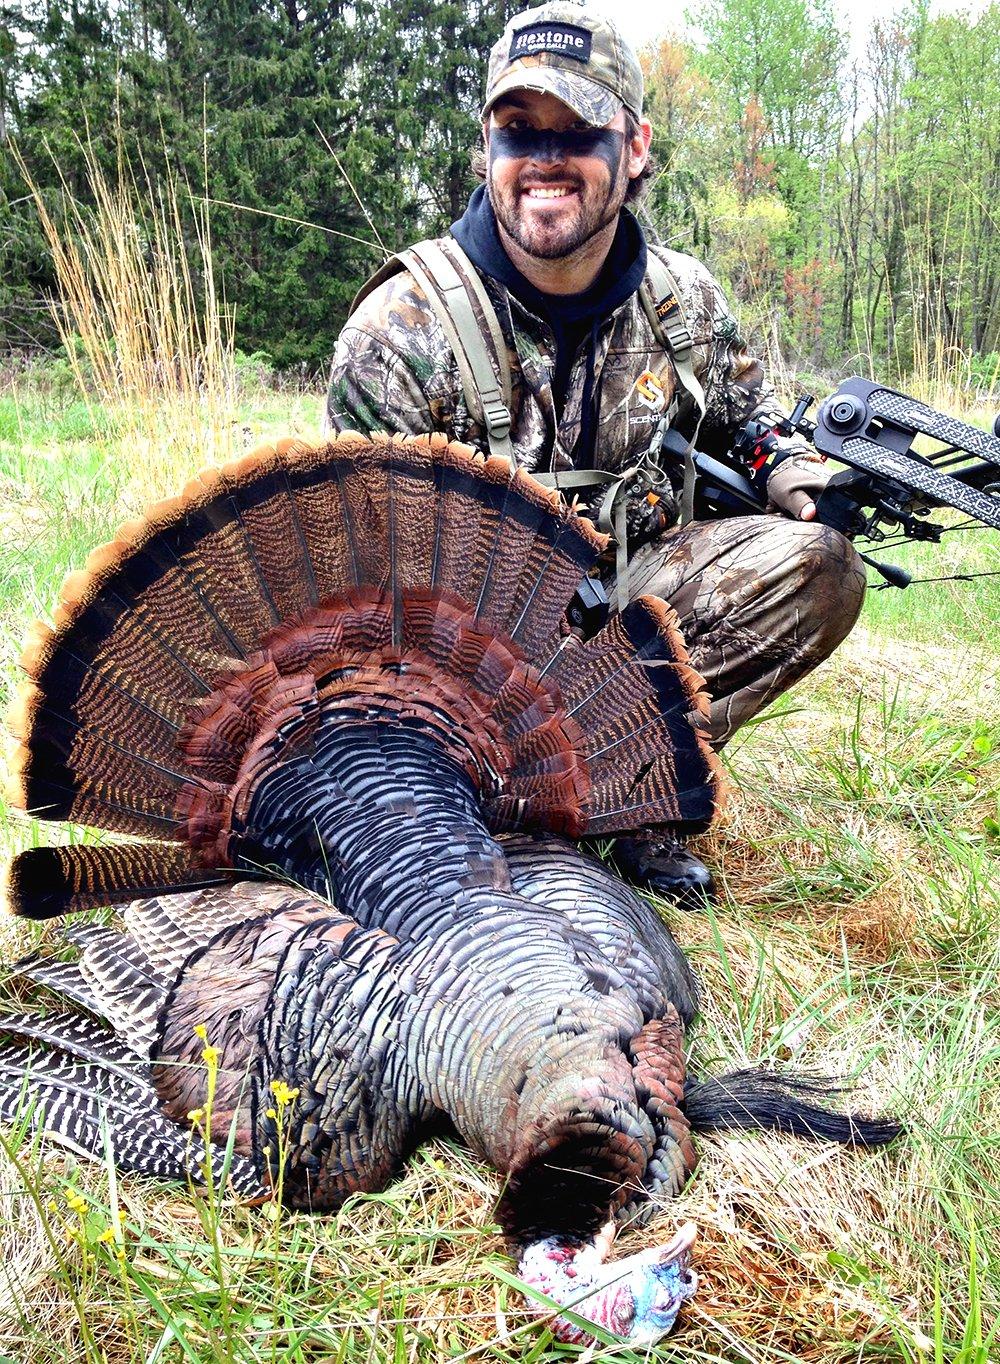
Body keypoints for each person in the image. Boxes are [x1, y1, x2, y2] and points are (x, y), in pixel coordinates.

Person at [324, 1, 866, 907]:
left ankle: (629, 797)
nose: (544, 158)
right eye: (517, 131)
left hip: (623, 607)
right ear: (486, 151)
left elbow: (748, 415)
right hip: (456, 656)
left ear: (636, 146)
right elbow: (359, 580)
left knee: (818, 569)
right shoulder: (400, 330)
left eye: (577, 130)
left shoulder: (681, 299)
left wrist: (795, 473)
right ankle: (494, 807)